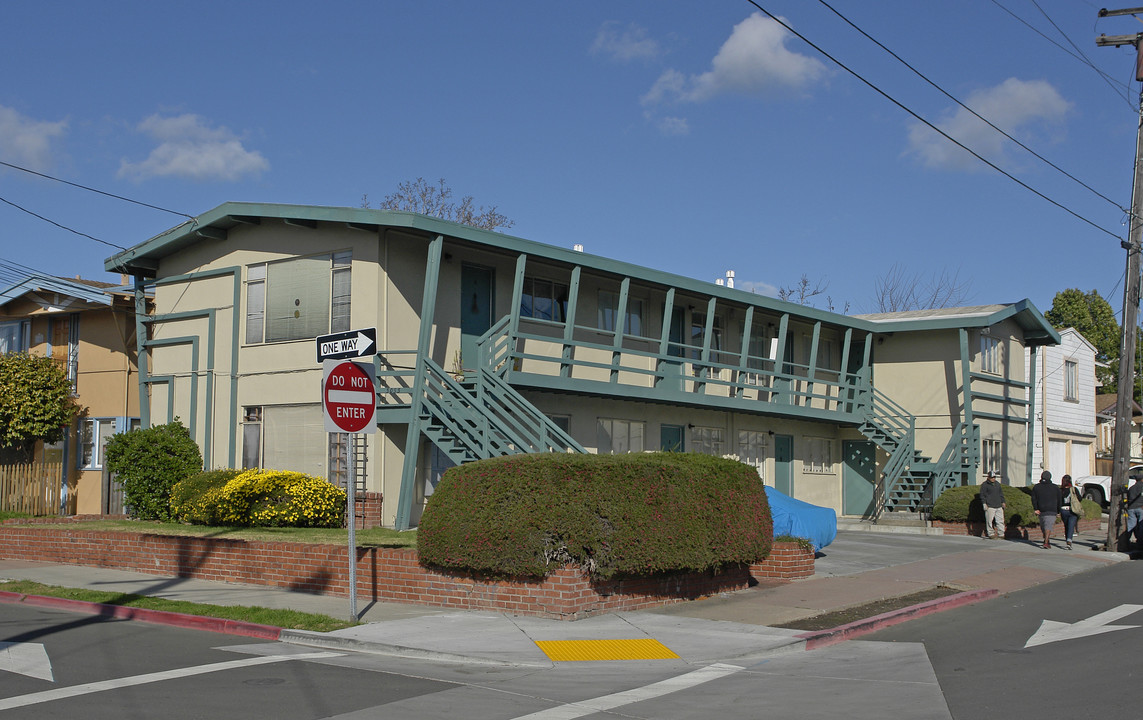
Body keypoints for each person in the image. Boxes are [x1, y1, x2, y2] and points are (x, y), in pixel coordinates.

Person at [1031, 470, 1062, 549]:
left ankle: (1046, 542)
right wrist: (1059, 511)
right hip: (1052, 510)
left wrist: (1036, 508)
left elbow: (1034, 499)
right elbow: (1059, 500)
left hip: (1041, 510)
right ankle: (1046, 541)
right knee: (1046, 527)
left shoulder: (1036, 487)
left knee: (1045, 526)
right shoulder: (1055, 488)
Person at [1059, 474, 1083, 550]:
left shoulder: (1060, 490)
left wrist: (1057, 511)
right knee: (1071, 526)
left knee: (1066, 526)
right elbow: (1080, 498)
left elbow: (1058, 501)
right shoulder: (1074, 489)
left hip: (1063, 510)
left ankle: (1068, 540)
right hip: (1073, 510)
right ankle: (1069, 541)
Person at [979, 470, 1006, 539]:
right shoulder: (984, 485)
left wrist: (1003, 502)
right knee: (989, 521)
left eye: (994, 477)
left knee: (1000, 521)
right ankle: (991, 533)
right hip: (990, 506)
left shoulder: (997, 484)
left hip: (998, 505)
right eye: (992, 477)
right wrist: (984, 503)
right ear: (988, 477)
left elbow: (1001, 494)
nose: (993, 478)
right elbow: (982, 495)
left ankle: (1001, 534)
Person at [1127, 474, 1143, 548]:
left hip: (1131, 508)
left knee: (1131, 525)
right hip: (1141, 508)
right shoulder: (1142, 487)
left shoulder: (1131, 488)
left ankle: (1126, 540)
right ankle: (1140, 542)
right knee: (1141, 525)